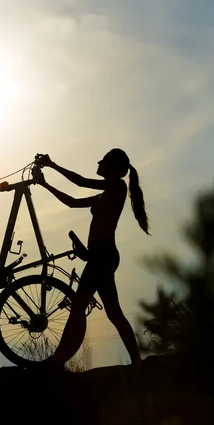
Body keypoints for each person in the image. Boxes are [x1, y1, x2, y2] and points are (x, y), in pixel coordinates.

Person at [35, 149, 150, 367]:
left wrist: (52, 165)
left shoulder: (117, 186)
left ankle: (57, 360)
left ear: (114, 167)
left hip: (103, 255)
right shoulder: (105, 194)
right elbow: (71, 202)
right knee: (114, 313)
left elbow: (79, 182)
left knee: (79, 308)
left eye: (104, 160)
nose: (98, 161)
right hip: (100, 255)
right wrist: (44, 184)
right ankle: (137, 361)